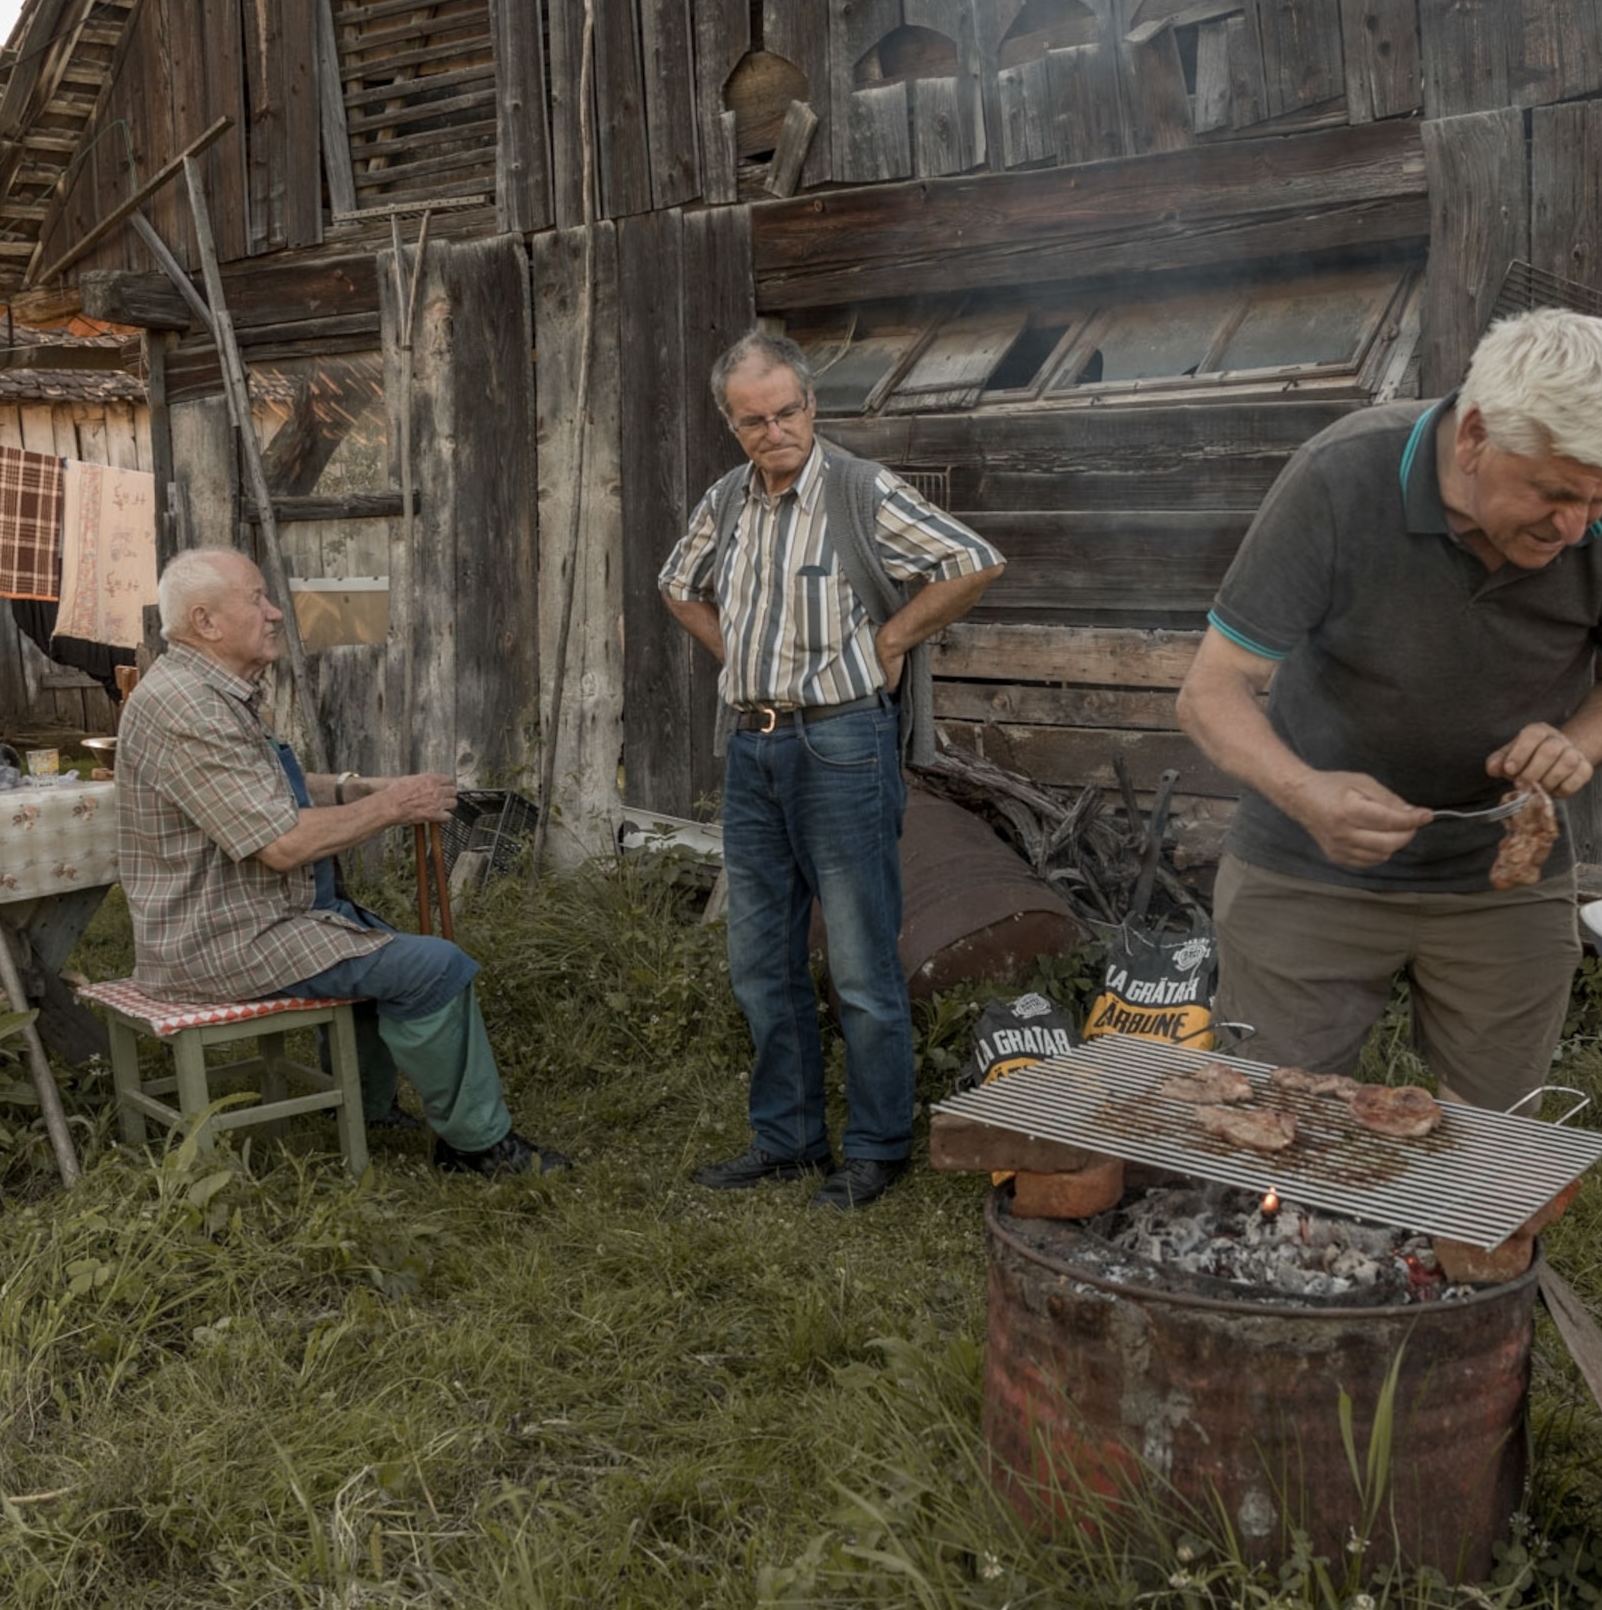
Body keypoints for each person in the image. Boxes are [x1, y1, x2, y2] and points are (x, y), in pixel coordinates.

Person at [1175, 309, 1602, 1107]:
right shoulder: (1341, 476)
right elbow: (1211, 691)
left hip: (1504, 881)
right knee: (1274, 1122)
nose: (1576, 527)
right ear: (1475, 434)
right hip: (1308, 865)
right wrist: (1307, 793)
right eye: (1554, 493)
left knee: (1495, 1145)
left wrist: (1578, 742)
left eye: (1598, 500)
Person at [659, 329, 1006, 1209]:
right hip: (753, 745)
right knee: (759, 960)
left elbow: (972, 562)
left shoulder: (859, 489)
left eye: (785, 412)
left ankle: (878, 1149)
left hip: (843, 742)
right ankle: (788, 1141)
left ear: (811, 405)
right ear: (730, 424)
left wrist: (891, 640)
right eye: (751, 420)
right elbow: (675, 583)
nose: (772, 431)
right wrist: (739, 655)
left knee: (858, 961)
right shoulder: (727, 500)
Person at [114, 547, 569, 1175]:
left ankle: (365, 1109)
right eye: (257, 600)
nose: (275, 613)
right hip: (220, 939)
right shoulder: (187, 708)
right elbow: (282, 845)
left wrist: (358, 789)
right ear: (206, 621)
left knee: (370, 940)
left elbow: (259, 790)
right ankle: (479, 1147)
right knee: (432, 968)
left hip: (253, 918)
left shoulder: (208, 691)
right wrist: (395, 807)